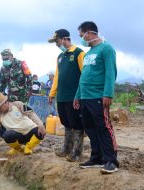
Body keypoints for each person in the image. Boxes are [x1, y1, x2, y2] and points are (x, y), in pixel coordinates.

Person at [73, 21, 118, 174]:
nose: (81, 39)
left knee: (104, 128)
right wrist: (77, 96)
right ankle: (97, 158)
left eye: (81, 35)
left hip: (99, 96)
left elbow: (111, 73)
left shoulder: (106, 48)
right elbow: (83, 77)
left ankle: (111, 160)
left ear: (89, 33)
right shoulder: (87, 54)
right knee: (90, 128)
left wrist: (108, 94)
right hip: (85, 97)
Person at [48, 29, 85, 162]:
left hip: (74, 96)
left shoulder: (78, 53)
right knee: (66, 123)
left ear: (64, 39)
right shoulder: (60, 57)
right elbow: (57, 77)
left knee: (77, 124)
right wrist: (52, 93)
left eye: (57, 41)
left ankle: (77, 152)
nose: (57, 44)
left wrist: (80, 95)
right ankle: (67, 148)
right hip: (62, 97)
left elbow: (85, 75)